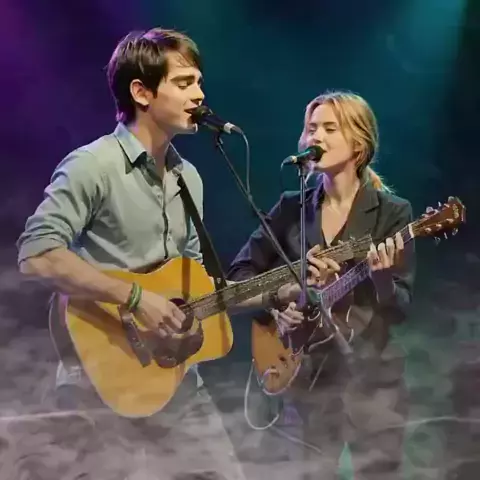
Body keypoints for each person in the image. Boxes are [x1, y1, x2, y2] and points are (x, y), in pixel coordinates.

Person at [16, 27, 246, 480]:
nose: (200, 94)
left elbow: (195, 280)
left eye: (199, 82)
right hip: (98, 383)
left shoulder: (189, 178)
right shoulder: (92, 165)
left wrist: (279, 291)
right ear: (141, 92)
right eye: (184, 83)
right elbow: (36, 254)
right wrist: (136, 298)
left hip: (176, 381)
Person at [227, 90, 415, 479]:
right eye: (311, 128)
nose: (316, 137)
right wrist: (279, 306)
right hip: (306, 379)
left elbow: (399, 308)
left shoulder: (393, 213)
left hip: (373, 383)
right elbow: (240, 276)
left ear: (359, 143)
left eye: (330, 128)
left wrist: (381, 278)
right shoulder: (291, 207)